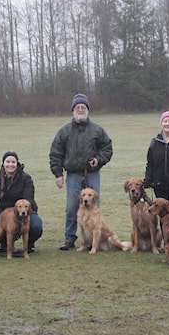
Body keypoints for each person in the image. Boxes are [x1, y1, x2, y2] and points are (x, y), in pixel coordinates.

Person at [49, 93, 114, 250]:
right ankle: (69, 239)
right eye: (77, 107)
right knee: (72, 207)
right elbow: (56, 153)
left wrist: (98, 160)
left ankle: (94, 240)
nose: (80, 109)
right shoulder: (64, 132)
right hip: (73, 175)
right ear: (73, 110)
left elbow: (107, 148)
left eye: (83, 107)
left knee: (94, 207)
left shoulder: (97, 130)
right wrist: (58, 174)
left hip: (92, 173)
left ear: (87, 110)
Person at [0, 151, 43, 253]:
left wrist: (20, 210)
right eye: (7, 162)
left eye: (13, 162)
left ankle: (29, 244)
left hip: (24, 212)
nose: (10, 164)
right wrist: (2, 213)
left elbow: (29, 198)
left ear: (17, 163)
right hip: (3, 212)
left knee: (36, 226)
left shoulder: (26, 178)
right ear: (3, 163)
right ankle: (4, 243)